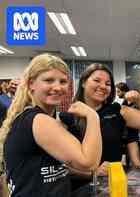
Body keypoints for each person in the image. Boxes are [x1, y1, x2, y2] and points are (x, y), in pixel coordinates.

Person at [0, 53, 102, 196]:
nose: (57, 87)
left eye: (63, 81)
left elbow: (52, 168)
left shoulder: (39, 119)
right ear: (31, 84)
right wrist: (93, 116)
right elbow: (88, 163)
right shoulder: (38, 120)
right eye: (49, 80)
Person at [59, 63, 140, 190]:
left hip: (113, 187)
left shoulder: (117, 111)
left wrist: (139, 99)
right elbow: (59, 167)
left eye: (107, 84)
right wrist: (92, 173)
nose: (102, 86)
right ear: (84, 83)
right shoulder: (67, 117)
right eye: (97, 80)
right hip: (80, 189)